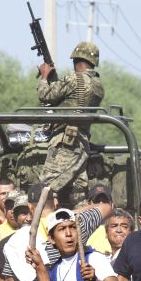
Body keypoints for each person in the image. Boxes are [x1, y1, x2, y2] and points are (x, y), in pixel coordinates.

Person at [37, 41, 105, 205]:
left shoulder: (74, 79)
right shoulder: (98, 84)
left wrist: (45, 76)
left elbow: (45, 95)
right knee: (77, 194)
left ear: (76, 60)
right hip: (81, 142)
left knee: (45, 189)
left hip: (66, 141)